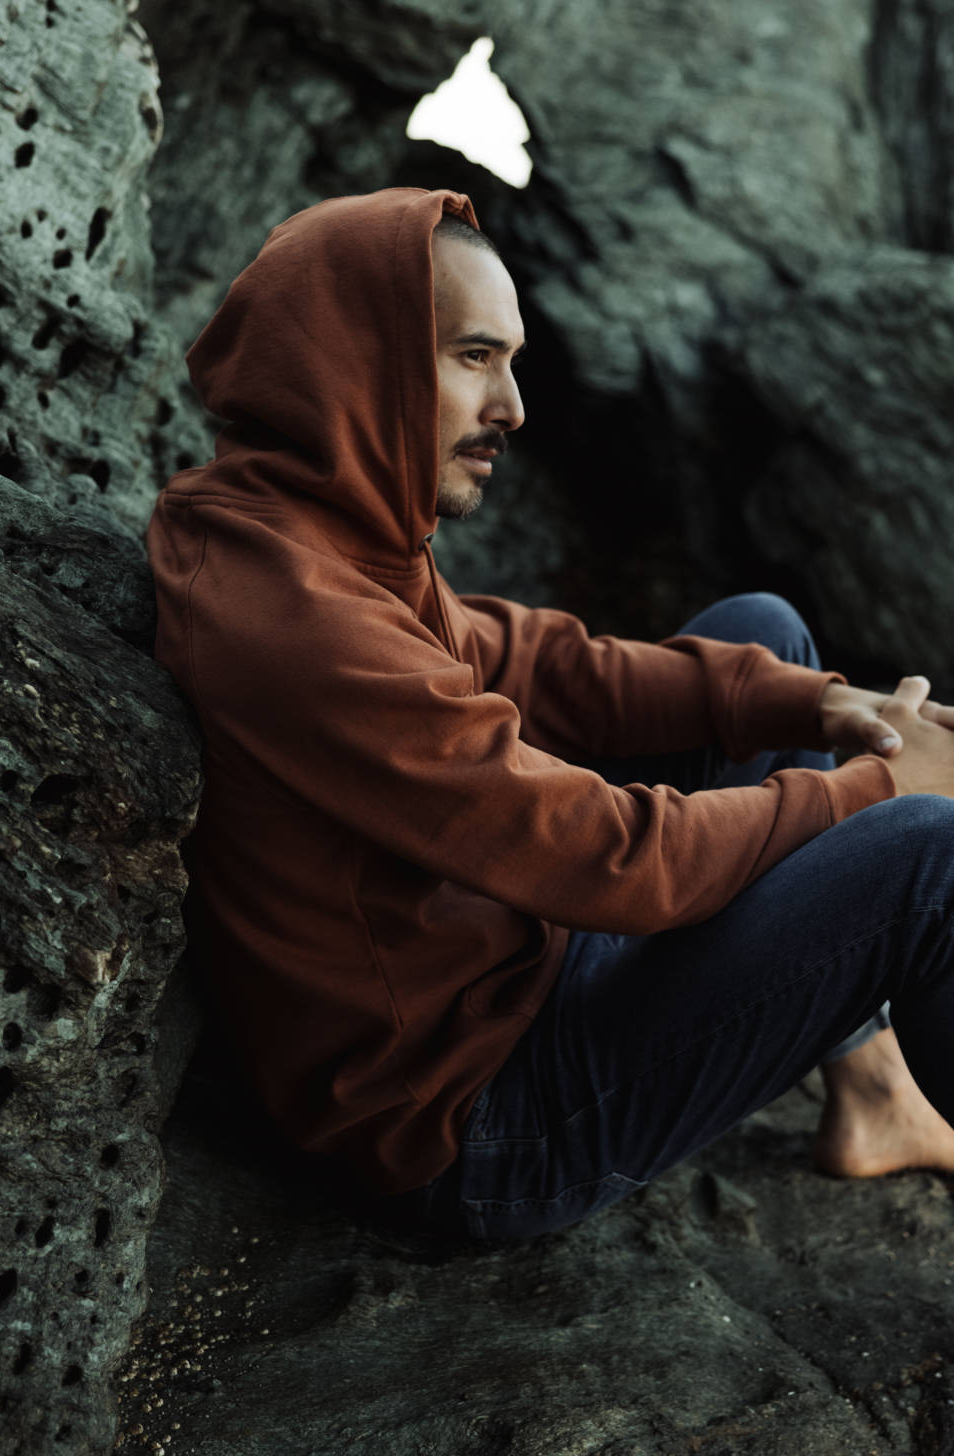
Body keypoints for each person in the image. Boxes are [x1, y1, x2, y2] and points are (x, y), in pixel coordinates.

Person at [148, 187, 954, 1242]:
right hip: (471, 1123)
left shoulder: (308, 527)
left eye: (511, 360)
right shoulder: (293, 620)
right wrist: (878, 790)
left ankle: (876, 1088)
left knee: (764, 638)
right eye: (475, 357)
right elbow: (604, 857)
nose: (514, 406)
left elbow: (539, 662)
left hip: (518, 979)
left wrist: (826, 703)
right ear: (358, 359)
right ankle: (888, 1054)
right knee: (929, 857)